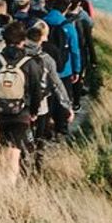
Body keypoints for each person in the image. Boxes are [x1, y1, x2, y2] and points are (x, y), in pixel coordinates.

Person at [0, 22, 50, 182]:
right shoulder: (30, 63)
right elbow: (37, 90)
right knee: (14, 154)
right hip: (20, 114)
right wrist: (34, 111)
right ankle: (9, 187)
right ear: (23, 40)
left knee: (0, 153)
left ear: (5, 39)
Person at [23, 18, 75, 168]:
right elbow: (57, 84)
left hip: (21, 102)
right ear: (40, 40)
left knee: (22, 133)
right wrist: (67, 106)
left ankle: (22, 161)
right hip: (41, 102)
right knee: (40, 135)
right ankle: (38, 162)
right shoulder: (47, 59)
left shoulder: (19, 55)